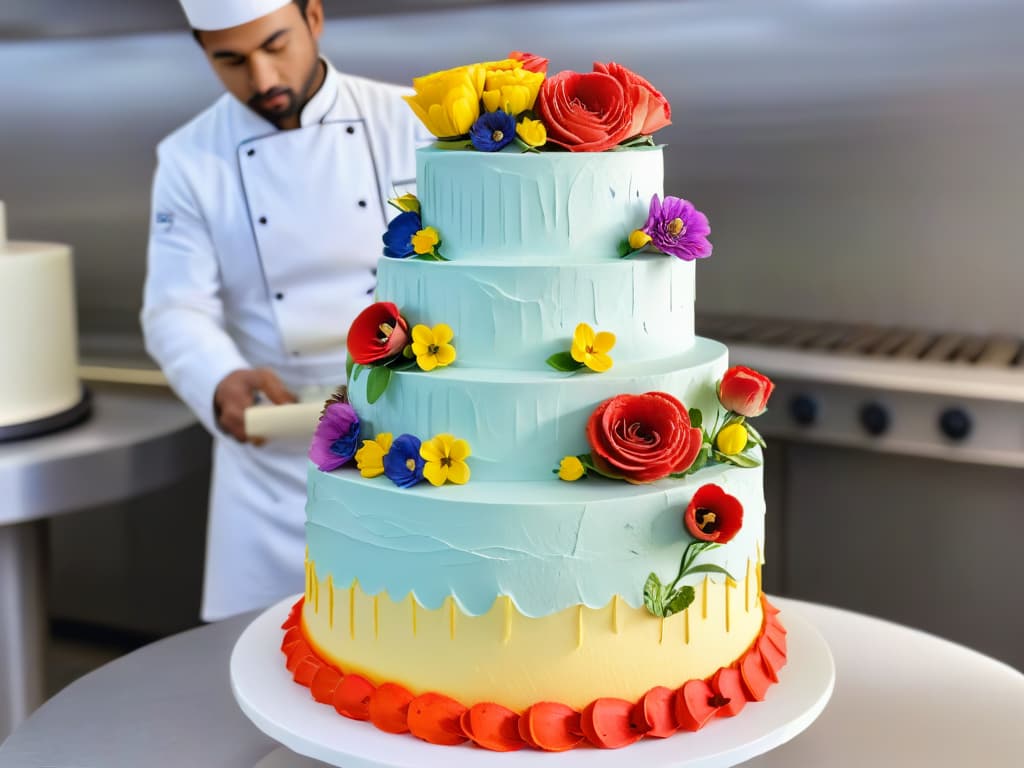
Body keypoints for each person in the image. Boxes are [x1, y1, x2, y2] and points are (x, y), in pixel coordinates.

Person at [142, 0, 422, 621]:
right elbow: (173, 307)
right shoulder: (189, 159)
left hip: (411, 430)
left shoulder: (412, 123)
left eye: (276, 46)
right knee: (256, 656)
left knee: (411, 641)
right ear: (203, 51)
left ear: (314, 18)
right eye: (232, 60)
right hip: (274, 444)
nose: (263, 80)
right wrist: (219, 379)